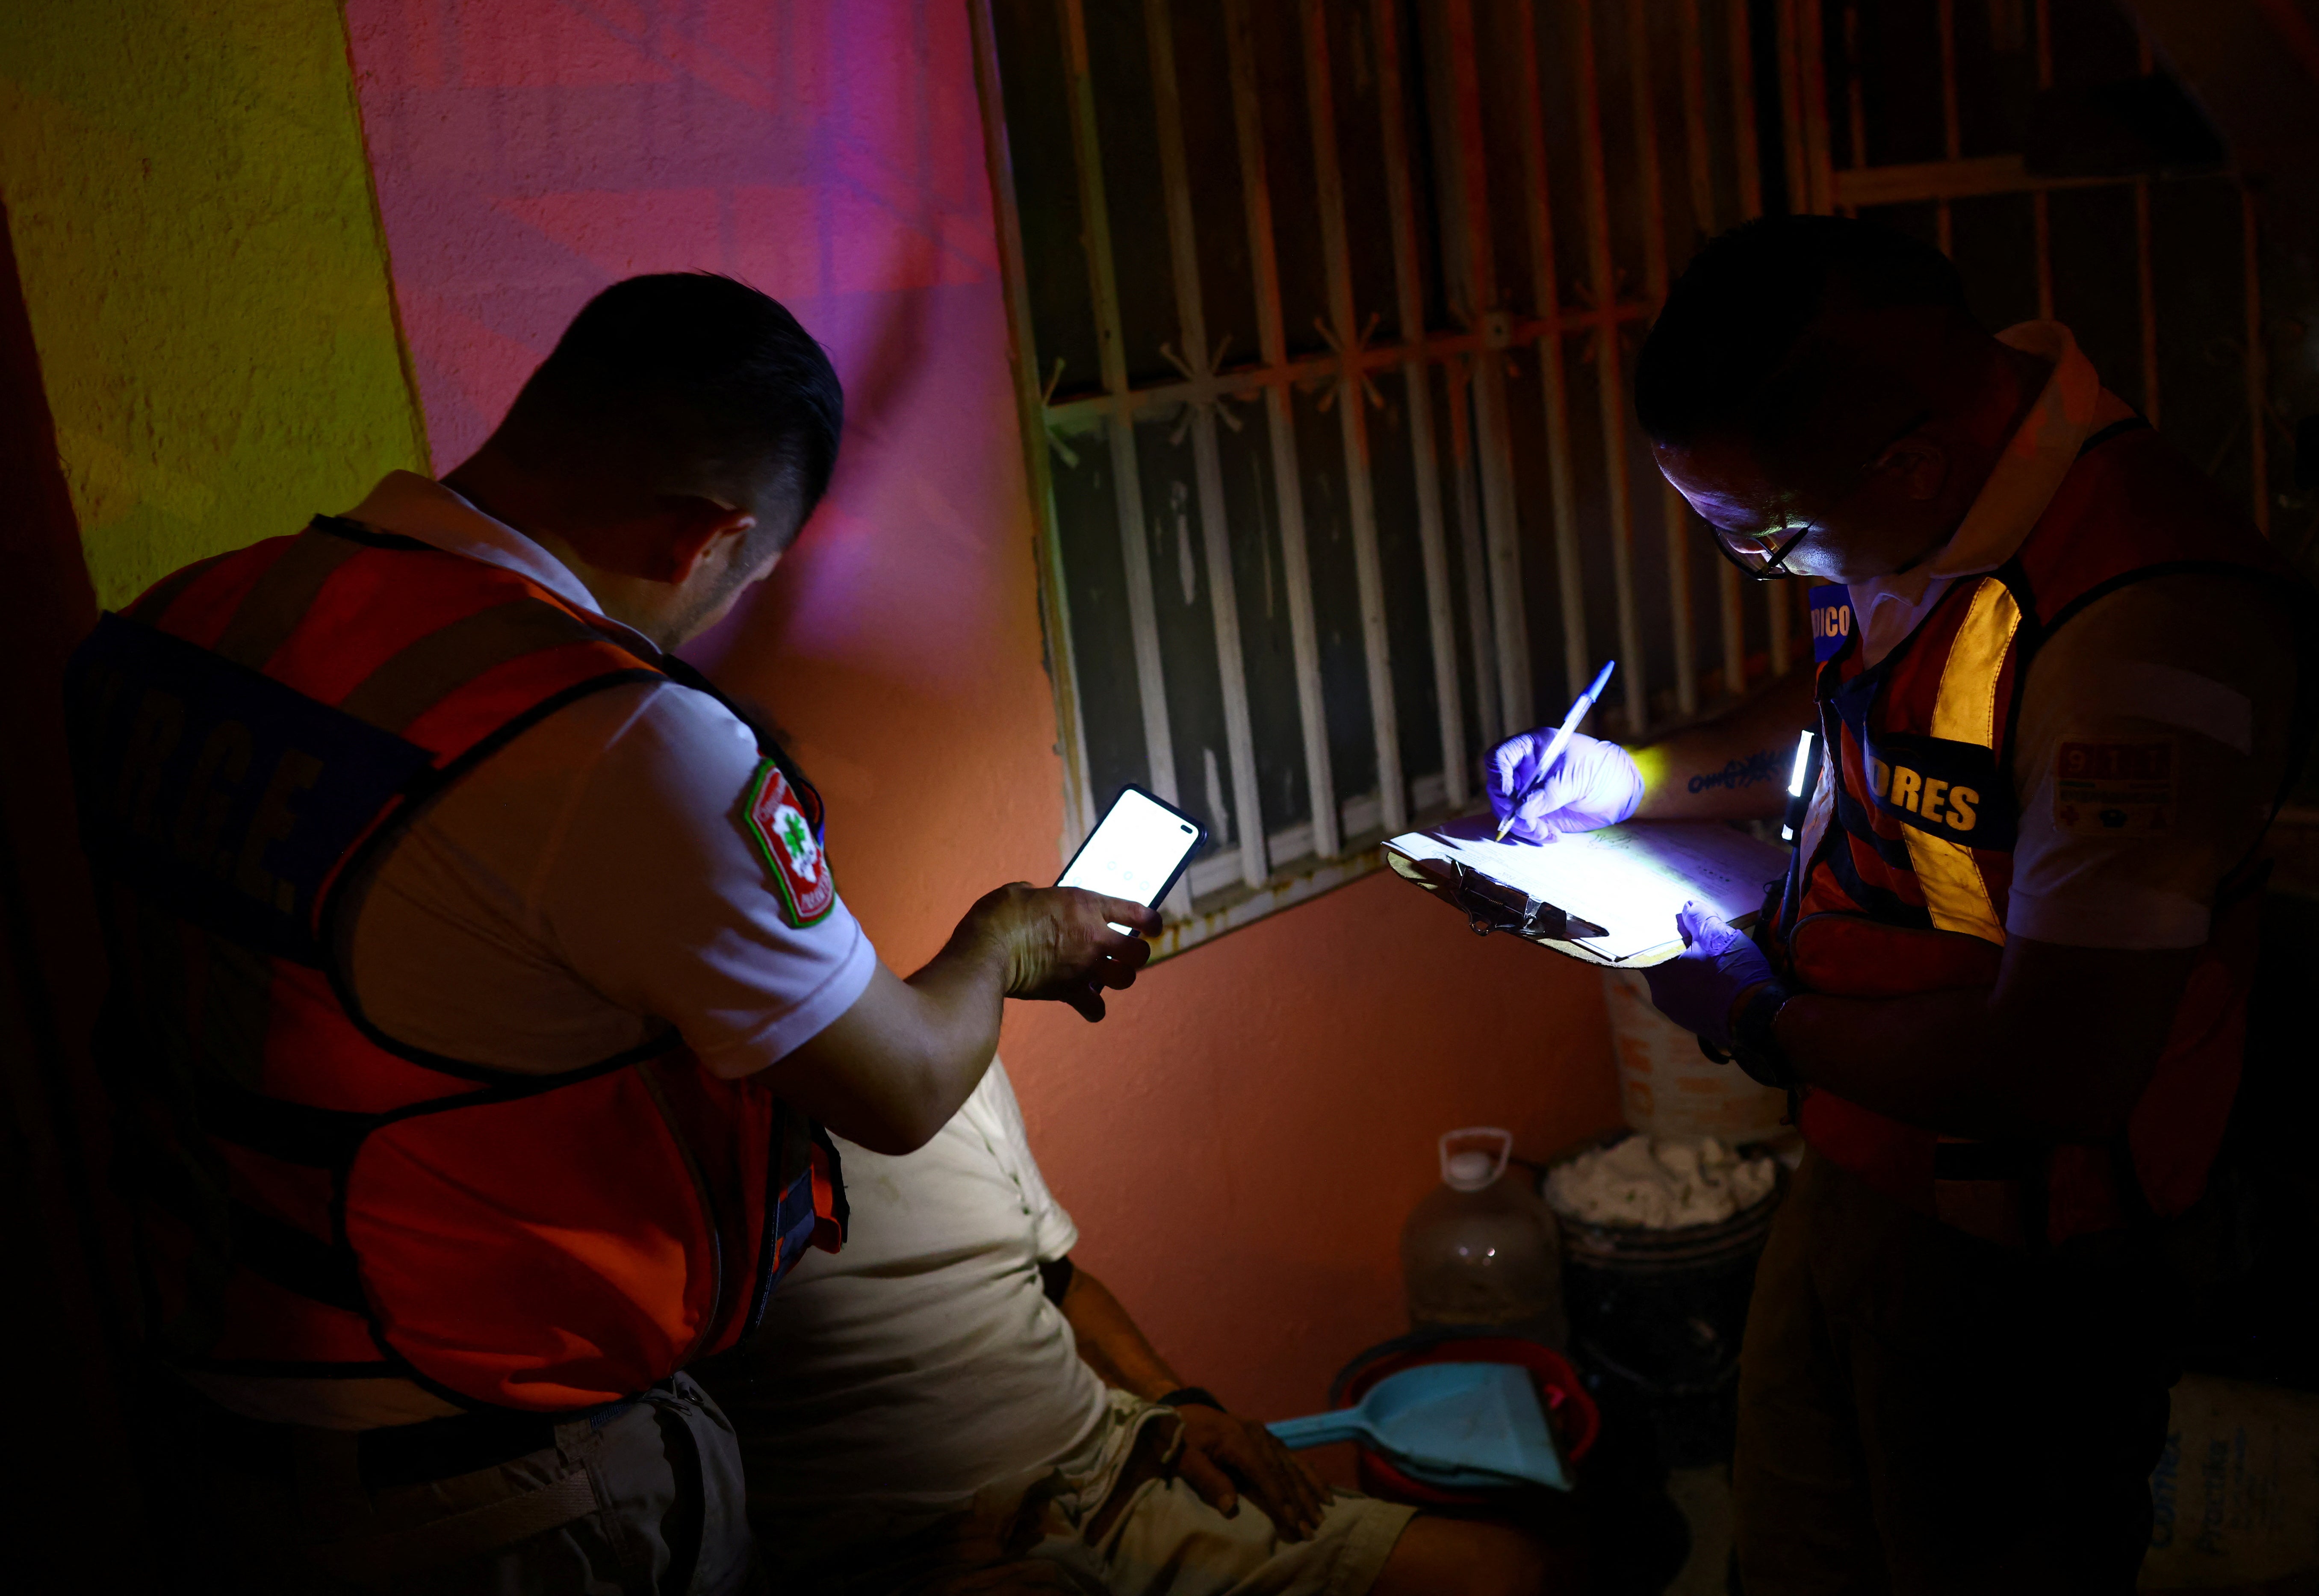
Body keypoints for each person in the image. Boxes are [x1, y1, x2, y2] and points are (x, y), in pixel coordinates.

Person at [65, 273, 1160, 1594]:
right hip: (488, 1481)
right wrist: (1006, 939)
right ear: (704, 537)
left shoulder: (198, 615)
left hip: (202, 1420)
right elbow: (903, 1085)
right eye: (745, 580)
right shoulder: (619, 737)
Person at [1489, 218, 2315, 1591]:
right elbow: (1855, 721)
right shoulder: (1922, 521)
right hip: (1869, 1159)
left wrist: (1756, 1020)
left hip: (2038, 1252)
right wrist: (1627, 778)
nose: (1769, 574)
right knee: (1799, 1543)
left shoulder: (2141, 633)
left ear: (1912, 460)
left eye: (1765, 542)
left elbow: (2059, 1063)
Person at [695, 1056, 1559, 1596]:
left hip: (1114, 1473)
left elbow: (1058, 1273)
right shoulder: (670, 1143)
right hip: (912, 1555)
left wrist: (1179, 1398)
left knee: (1504, 1573)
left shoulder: (937, 1055)